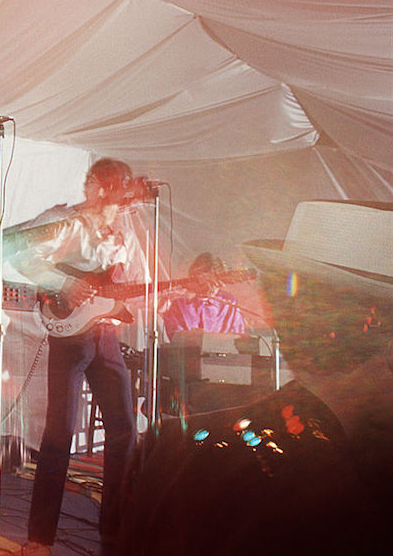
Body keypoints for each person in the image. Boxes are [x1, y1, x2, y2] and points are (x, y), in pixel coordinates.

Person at [118, 200, 393, 555]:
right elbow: (179, 344)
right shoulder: (355, 493)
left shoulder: (166, 447)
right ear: (380, 325)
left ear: (280, 318)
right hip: (191, 385)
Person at [16, 158, 149, 556]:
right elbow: (21, 251)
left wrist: (182, 291)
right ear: (99, 188)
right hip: (70, 337)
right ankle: (39, 540)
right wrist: (63, 282)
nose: (119, 197)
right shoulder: (66, 221)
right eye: (110, 187)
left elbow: (141, 285)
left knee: (124, 432)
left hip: (106, 336)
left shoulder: (124, 234)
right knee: (59, 436)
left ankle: (115, 536)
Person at [162, 251, 246, 340]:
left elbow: (238, 336)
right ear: (195, 276)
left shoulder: (229, 302)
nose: (212, 284)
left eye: (216, 279)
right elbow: (175, 337)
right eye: (207, 278)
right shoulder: (179, 303)